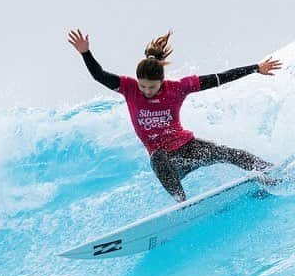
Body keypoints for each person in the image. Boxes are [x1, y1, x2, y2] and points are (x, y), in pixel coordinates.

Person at [67, 28, 283, 202]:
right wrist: (86, 53)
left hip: (188, 147)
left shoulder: (177, 88)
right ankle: (182, 203)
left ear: (162, 80)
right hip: (169, 163)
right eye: (143, 86)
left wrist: (256, 68)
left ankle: (273, 172)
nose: (147, 91)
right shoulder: (129, 88)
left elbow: (219, 77)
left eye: (152, 87)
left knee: (229, 153)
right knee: (157, 157)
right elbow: (99, 75)